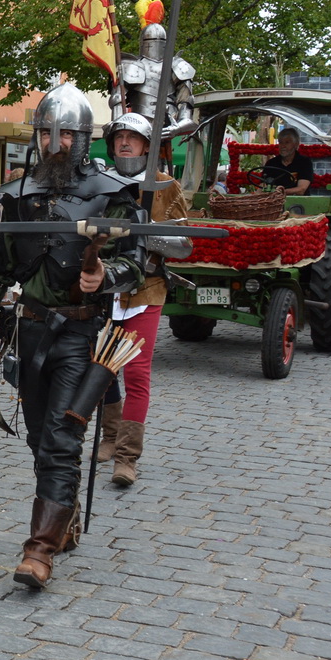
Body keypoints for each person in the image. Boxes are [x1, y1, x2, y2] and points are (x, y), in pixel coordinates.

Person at [0, 83, 147, 590]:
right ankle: (62, 516)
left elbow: (137, 260)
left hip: (81, 333)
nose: (56, 143)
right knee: (42, 437)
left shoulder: (112, 193)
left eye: (66, 133)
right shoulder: (19, 195)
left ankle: (39, 550)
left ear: (83, 137)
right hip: (29, 330)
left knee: (63, 440)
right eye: (48, 133)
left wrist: (105, 277)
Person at [94, 113, 190, 487]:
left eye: (133, 137)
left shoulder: (166, 186)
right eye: (120, 136)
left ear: (147, 145)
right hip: (104, 286)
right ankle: (109, 436)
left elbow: (183, 245)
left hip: (146, 288)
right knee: (101, 367)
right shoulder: (101, 181)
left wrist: (141, 235)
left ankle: (127, 456)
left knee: (136, 373)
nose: (124, 142)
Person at [260, 127, 314, 195]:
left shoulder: (304, 162)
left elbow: (301, 189)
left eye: (287, 142)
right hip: (274, 202)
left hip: (297, 203)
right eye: (281, 143)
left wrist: (280, 192)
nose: (283, 146)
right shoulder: (271, 163)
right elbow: (262, 185)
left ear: (296, 144)